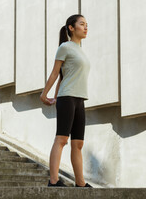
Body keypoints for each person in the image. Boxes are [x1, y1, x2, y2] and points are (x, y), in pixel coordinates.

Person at [40, 14, 92, 188]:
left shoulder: (80, 50)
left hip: (79, 99)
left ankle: (80, 183)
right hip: (68, 98)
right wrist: (44, 94)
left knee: (78, 144)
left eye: (86, 25)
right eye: (82, 24)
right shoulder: (65, 47)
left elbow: (65, 75)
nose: (85, 27)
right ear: (71, 27)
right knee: (62, 139)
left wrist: (55, 94)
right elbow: (56, 73)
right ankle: (53, 180)